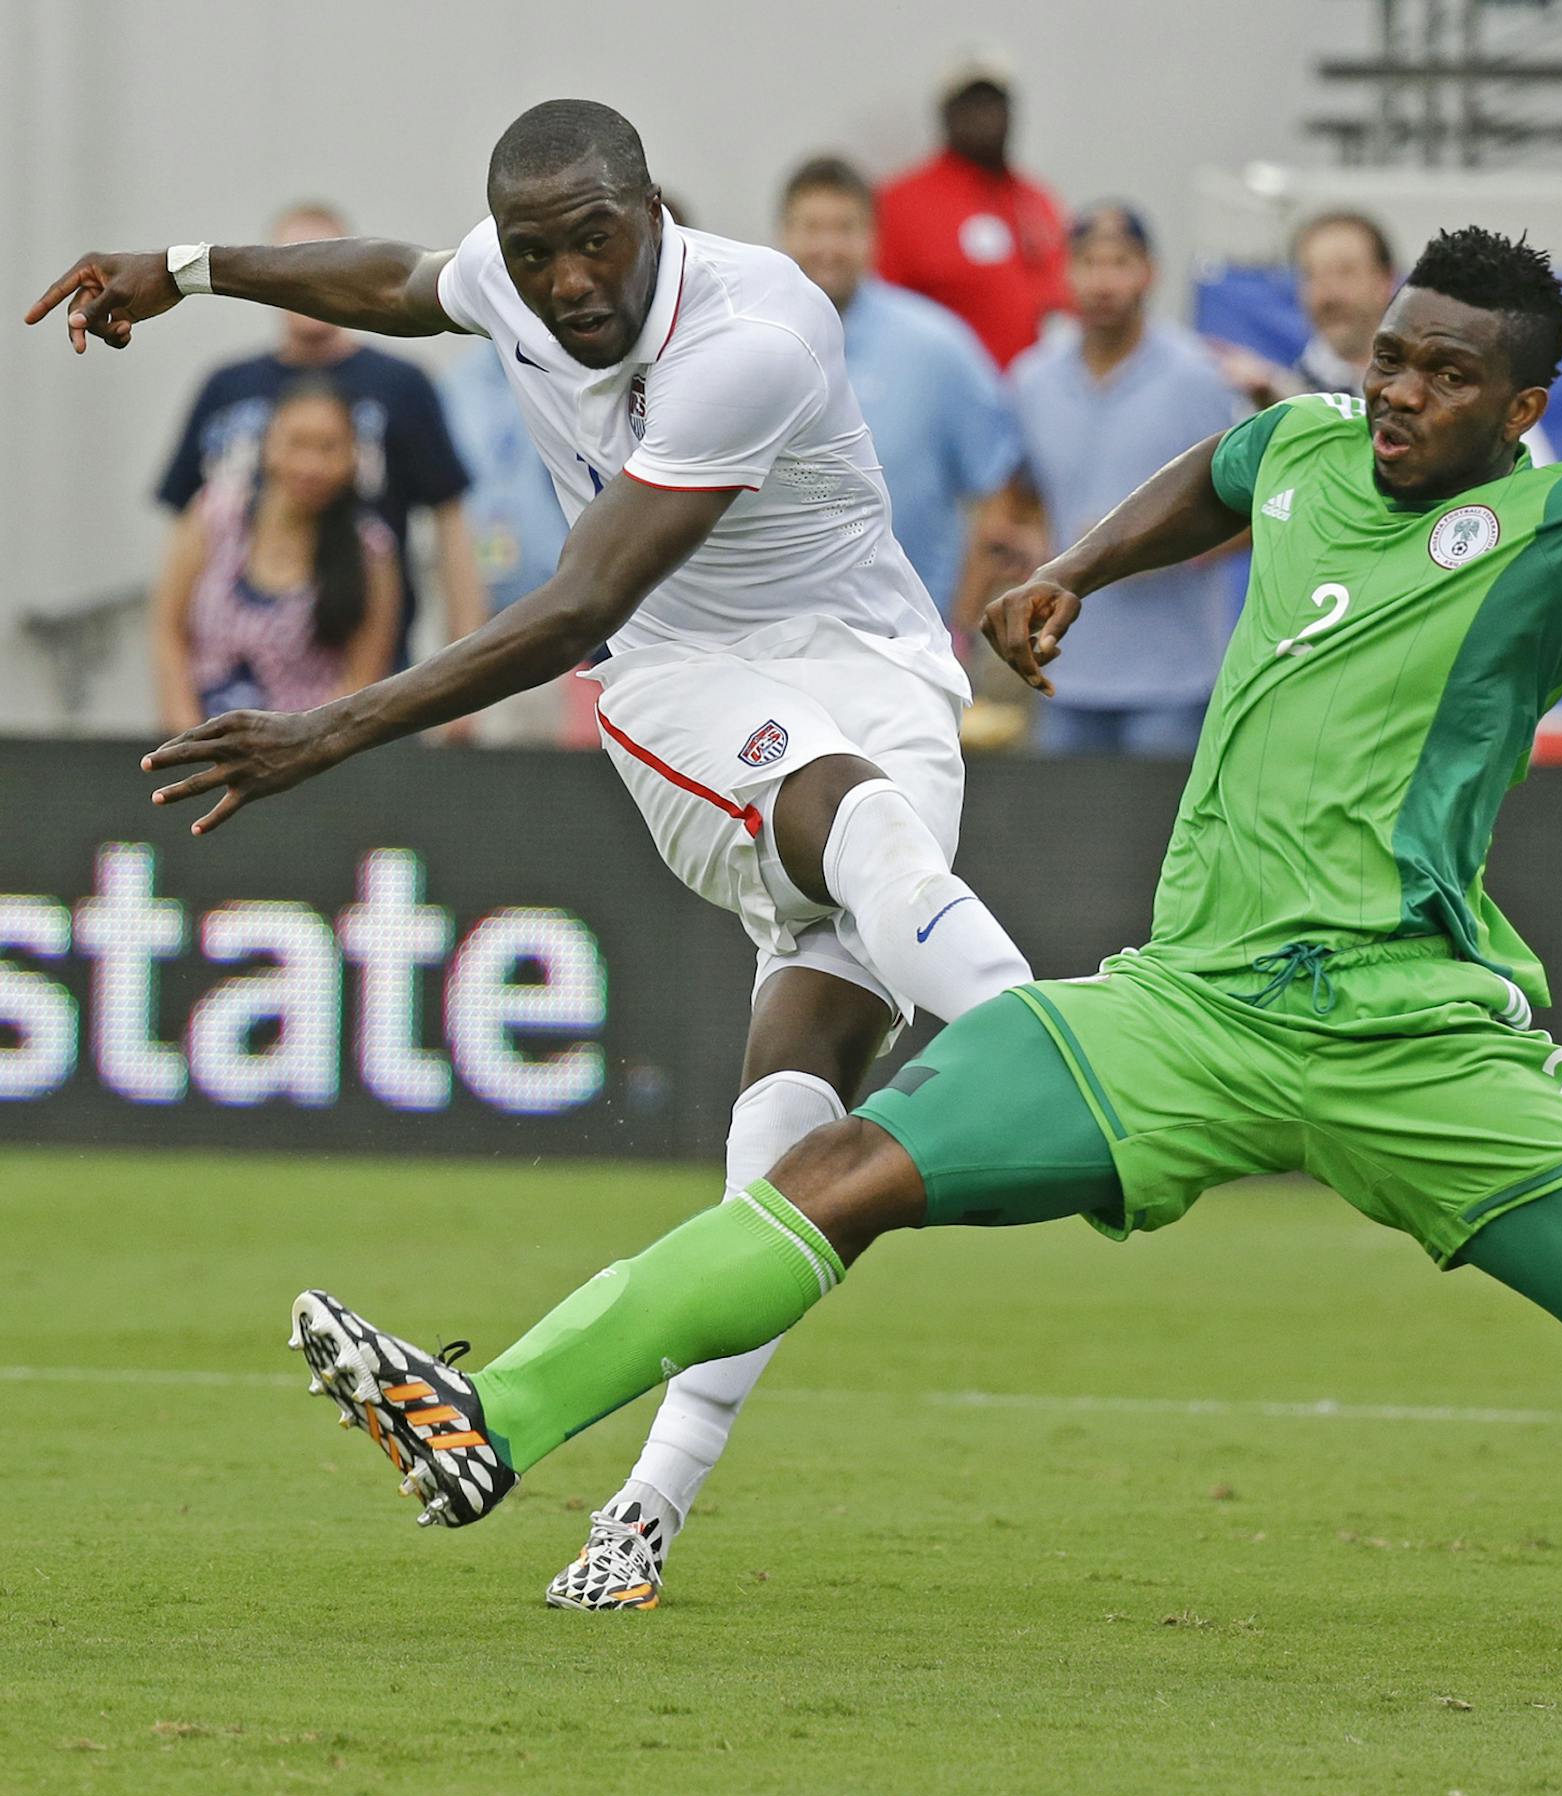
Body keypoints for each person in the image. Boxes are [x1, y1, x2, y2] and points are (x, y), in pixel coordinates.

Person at [271, 226, 1562, 1681]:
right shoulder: (1316, 446)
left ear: (1521, 410)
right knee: (847, 1170)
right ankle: (489, 1418)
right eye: (1387, 358)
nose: (1395, 393)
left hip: (1422, 1044)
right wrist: (1077, 572)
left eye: (1440, 377)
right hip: (1185, 1012)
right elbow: (1224, 468)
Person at [30, 97, 1038, 1611]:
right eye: (533, 249)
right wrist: (194, 263)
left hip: (882, 674)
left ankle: (639, 1513)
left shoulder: (753, 333)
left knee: (791, 1147)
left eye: (593, 241)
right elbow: (397, 284)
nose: (565, 279)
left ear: (653, 216)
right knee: (865, 829)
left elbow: (562, 600)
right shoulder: (509, 276)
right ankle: (1065, 1050)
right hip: (682, 687)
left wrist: (330, 728)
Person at [154, 201, 484, 672]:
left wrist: (464, 663)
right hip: (231, 668)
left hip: (369, 659)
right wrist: (174, 678)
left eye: (323, 264)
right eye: (291, 264)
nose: (307, 281)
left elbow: (449, 518)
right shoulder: (226, 388)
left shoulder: (400, 386)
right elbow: (185, 527)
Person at [985, 204, 1242, 757]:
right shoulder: (1033, 380)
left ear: (1150, 272)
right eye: (1089, 263)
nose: (1103, 281)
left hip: (1171, 677)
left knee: (1155, 840)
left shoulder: (1198, 377)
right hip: (1065, 674)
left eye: (1120, 262)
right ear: (1065, 272)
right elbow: (1018, 497)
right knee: (1071, 836)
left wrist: (1160, 548)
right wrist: (1025, 542)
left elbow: (1252, 509)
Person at [776, 155, 1027, 619]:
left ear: (872, 237)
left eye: (845, 228)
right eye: (812, 227)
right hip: (776, 638)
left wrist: (962, 629)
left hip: (908, 640)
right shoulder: (752, 341)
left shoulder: (937, 346)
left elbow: (997, 492)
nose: (827, 246)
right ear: (783, 234)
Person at [150, 379, 401, 729]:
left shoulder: (371, 551)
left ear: (354, 457)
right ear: (267, 444)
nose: (311, 465)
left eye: (329, 448)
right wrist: (185, 734)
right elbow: (169, 632)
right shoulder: (213, 516)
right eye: (296, 444)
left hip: (307, 753)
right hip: (200, 740)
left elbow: (363, 680)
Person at [875, 48, 1068, 369]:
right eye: (970, 103)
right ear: (945, 114)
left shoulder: (1037, 200)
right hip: (945, 401)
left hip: (1032, 402)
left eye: (994, 103)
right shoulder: (900, 203)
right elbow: (882, 312)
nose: (985, 114)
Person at [436, 343, 575, 744]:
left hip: (557, 608)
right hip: (466, 603)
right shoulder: (459, 381)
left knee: (540, 751)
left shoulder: (575, 375)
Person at [1218, 212, 1398, 409]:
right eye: (1311, 275)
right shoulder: (1276, 400)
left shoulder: (1424, 388)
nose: (1328, 295)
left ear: (1385, 281)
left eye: (1345, 272)